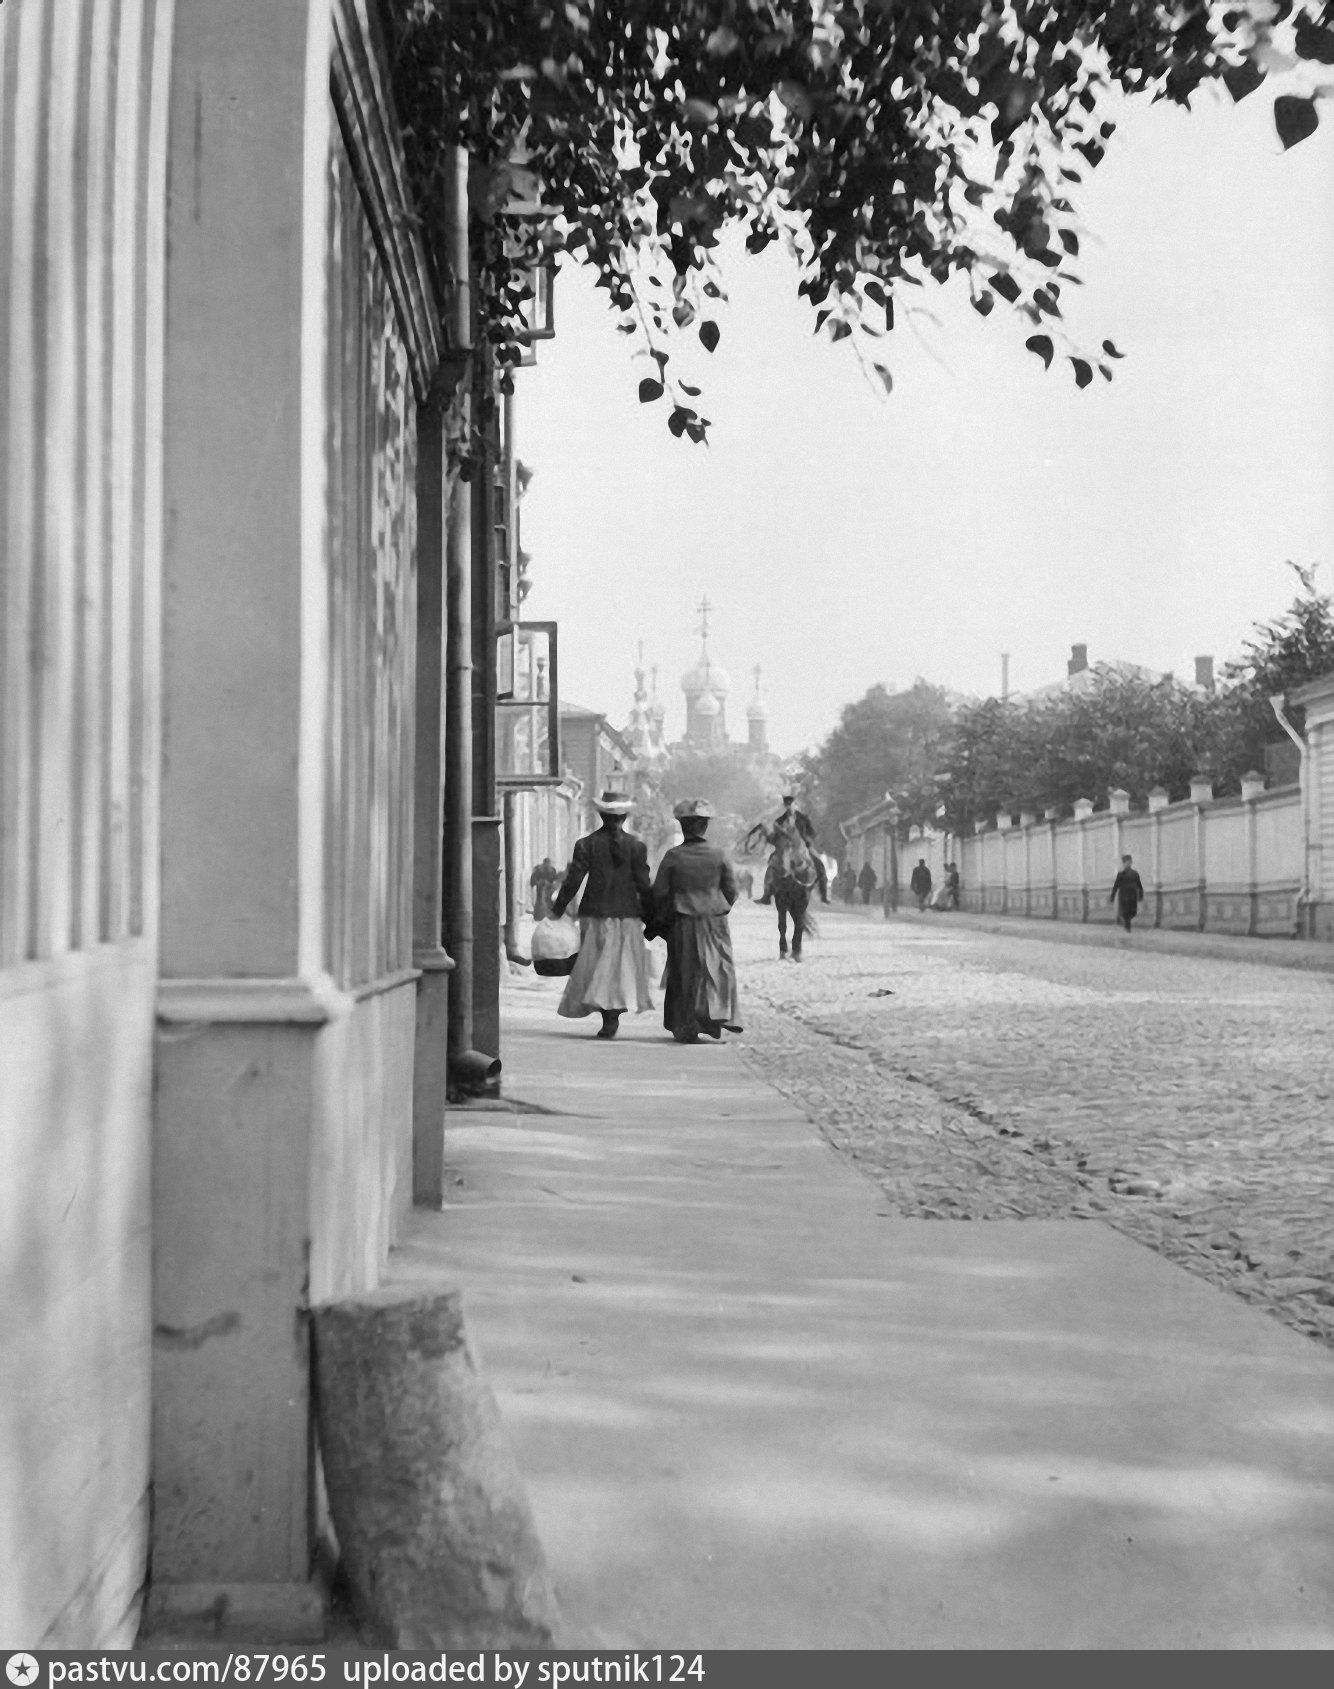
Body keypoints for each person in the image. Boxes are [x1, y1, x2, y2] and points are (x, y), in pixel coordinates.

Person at [550, 791, 653, 1038]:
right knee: (617, 968)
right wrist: (653, 916)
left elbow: (573, 880)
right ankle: (612, 1012)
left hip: (594, 915)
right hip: (627, 916)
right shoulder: (636, 846)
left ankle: (609, 1015)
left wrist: (557, 909)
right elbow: (643, 885)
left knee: (597, 966)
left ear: (600, 815)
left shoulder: (586, 845)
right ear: (625, 816)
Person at [650, 799, 742, 1045]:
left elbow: (659, 892)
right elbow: (731, 890)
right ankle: (711, 1019)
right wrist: (719, 908)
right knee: (716, 971)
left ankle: (685, 1023)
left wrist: (659, 921)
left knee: (684, 972)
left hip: (683, 922)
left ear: (683, 826)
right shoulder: (719, 855)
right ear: (705, 827)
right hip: (715, 923)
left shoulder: (673, 856)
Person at [757, 793, 828, 904]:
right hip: (785, 848)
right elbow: (773, 837)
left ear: (794, 804)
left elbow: (812, 833)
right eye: (787, 804)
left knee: (819, 865)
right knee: (772, 865)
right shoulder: (779, 821)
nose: (789, 806)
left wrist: (808, 839)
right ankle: (767, 894)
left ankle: (823, 894)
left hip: (802, 847)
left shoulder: (802, 818)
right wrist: (769, 836)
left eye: (791, 804)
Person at [1110, 853, 1145, 932]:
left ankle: (1127, 924)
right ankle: (1127, 926)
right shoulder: (1121, 874)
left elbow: (1139, 885)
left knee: (1132, 911)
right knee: (1126, 911)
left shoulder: (1135, 873)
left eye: (1129, 861)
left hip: (1132, 895)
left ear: (1130, 862)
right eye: (1126, 862)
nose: (1128, 863)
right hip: (1124, 895)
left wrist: (1140, 895)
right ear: (1124, 863)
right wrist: (1112, 896)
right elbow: (1116, 885)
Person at [529, 855, 560, 921]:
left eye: (548, 864)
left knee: (549, 900)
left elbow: (555, 880)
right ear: (543, 863)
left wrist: (550, 884)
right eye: (546, 864)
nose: (547, 865)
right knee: (540, 900)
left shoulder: (552, 870)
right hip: (540, 888)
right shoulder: (538, 869)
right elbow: (533, 880)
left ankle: (548, 914)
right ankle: (538, 916)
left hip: (550, 889)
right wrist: (540, 882)